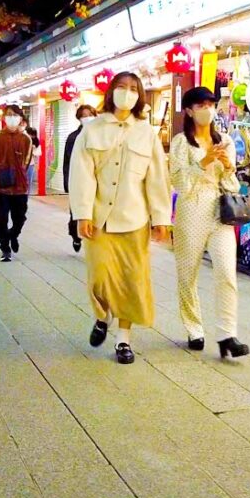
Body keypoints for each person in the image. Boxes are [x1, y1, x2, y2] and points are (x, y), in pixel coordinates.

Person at [70, 71, 172, 365]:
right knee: (99, 278)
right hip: (99, 219)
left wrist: (160, 218)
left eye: (133, 89)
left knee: (131, 280)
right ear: (111, 91)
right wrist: (82, 213)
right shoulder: (92, 130)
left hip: (134, 219)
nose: (126, 93)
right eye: (121, 87)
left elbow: (156, 178)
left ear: (140, 96)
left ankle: (123, 339)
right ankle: (103, 316)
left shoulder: (146, 132)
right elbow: (82, 175)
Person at [170, 87, 249, 359]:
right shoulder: (181, 142)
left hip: (219, 211)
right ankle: (194, 328)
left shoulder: (225, 140)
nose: (207, 109)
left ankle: (228, 334)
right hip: (191, 211)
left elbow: (232, 184)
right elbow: (178, 183)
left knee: (227, 272)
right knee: (187, 273)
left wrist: (227, 167)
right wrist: (203, 162)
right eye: (200, 105)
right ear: (189, 110)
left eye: (211, 104)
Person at [0, 105, 34, 262]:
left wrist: (18, 174)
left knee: (20, 218)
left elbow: (27, 162)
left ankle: (13, 235)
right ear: (3, 118)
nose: (11, 117)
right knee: (1, 218)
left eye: (15, 115)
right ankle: (5, 247)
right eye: (8, 115)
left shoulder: (26, 139)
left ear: (21, 118)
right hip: (0, 186)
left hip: (20, 186)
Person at [64, 104, 98, 252]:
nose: (87, 118)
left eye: (90, 114)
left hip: (96, 182)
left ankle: (93, 241)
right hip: (78, 180)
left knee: (95, 212)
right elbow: (68, 161)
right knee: (76, 212)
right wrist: (67, 182)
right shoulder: (73, 137)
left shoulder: (101, 135)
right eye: (84, 116)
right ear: (79, 118)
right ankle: (75, 236)